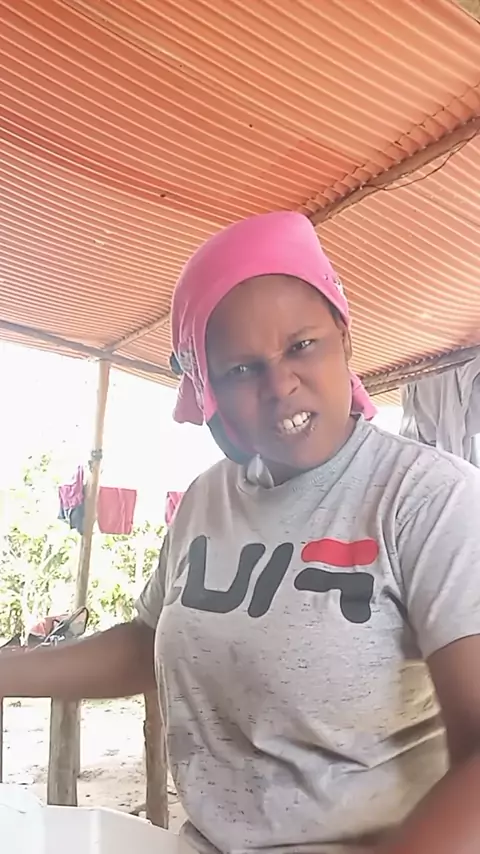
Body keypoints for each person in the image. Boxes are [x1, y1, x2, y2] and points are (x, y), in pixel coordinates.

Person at [1, 212, 480, 854]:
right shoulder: (207, 500)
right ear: (207, 391)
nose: (281, 385)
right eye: (242, 370)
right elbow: (149, 642)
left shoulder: (427, 501)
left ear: (343, 337)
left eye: (301, 345)